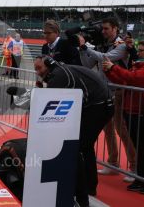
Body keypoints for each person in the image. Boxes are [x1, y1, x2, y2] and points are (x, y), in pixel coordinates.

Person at [34, 56, 114, 207]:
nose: (37, 72)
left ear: (48, 65)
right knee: (85, 146)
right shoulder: (62, 69)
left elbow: (47, 100)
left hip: (98, 106)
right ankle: (89, 187)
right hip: (99, 105)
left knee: (79, 148)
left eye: (39, 68)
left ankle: (83, 193)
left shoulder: (59, 75)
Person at [78, 17, 136, 178]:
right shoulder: (101, 45)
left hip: (119, 91)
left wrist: (86, 47)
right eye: (102, 29)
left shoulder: (122, 44)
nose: (103, 31)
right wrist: (83, 50)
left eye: (106, 29)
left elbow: (105, 58)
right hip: (104, 91)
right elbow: (87, 65)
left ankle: (134, 167)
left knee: (121, 129)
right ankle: (113, 163)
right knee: (107, 128)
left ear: (115, 28)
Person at [103, 41, 144, 194]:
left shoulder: (139, 69)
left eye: (141, 51)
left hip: (138, 111)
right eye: (138, 50)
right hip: (132, 110)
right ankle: (139, 177)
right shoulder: (138, 67)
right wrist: (108, 71)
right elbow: (123, 80)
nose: (138, 53)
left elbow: (133, 78)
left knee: (141, 146)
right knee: (138, 145)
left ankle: (140, 177)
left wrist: (113, 67)